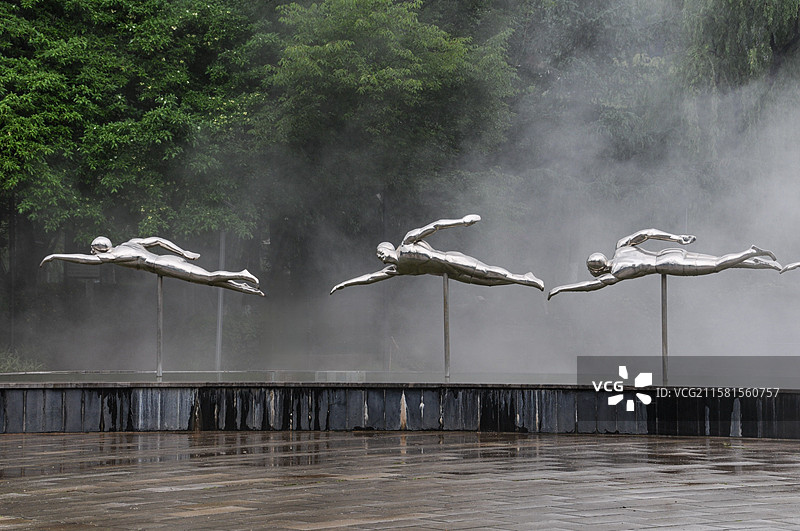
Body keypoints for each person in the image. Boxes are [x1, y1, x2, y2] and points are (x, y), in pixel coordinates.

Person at [330, 214, 544, 294]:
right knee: (487, 283)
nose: (380, 257)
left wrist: (462, 221)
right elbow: (369, 278)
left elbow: (435, 225)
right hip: (448, 274)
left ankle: (523, 278)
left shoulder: (406, 242)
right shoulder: (396, 269)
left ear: (388, 247)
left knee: (486, 271)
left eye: (381, 252)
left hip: (450, 259)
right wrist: (344, 284)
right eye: (378, 256)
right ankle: (523, 279)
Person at [547, 228, 780, 300]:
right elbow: (648, 232)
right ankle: (762, 263)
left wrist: (562, 288)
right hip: (670, 252)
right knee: (719, 261)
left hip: (667, 265)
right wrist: (677, 238)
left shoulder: (616, 273)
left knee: (718, 265)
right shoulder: (621, 246)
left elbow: (590, 286)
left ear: (596, 269)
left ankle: (749, 252)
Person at [40, 236, 264, 296]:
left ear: (99, 249)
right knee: (210, 282)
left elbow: (83, 259)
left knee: (208, 278)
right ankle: (245, 288)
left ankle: (241, 274)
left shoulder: (112, 255)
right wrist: (182, 252)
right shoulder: (130, 243)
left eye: (94, 251)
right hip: (168, 261)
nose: (94, 254)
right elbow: (157, 240)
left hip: (162, 266)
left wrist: (56, 256)